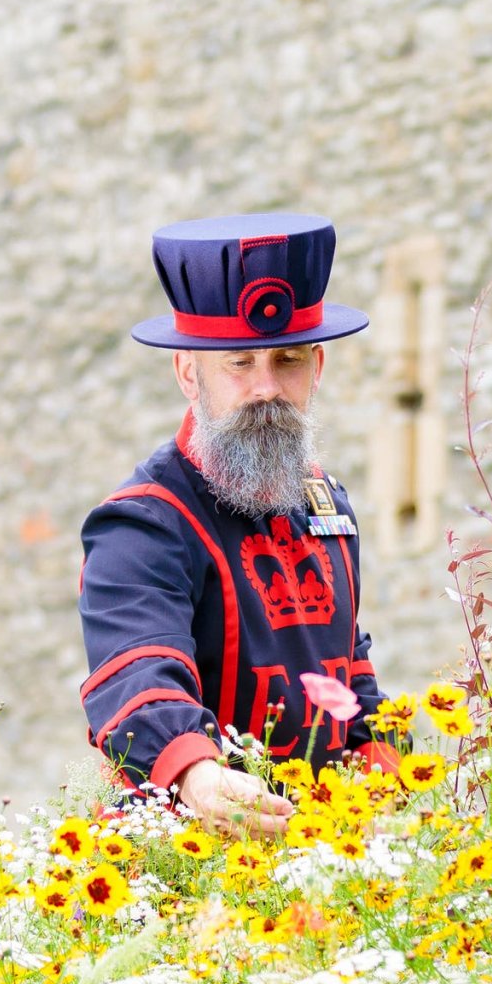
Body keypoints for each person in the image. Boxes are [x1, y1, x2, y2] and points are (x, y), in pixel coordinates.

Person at [77, 212, 393, 835]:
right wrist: (196, 772)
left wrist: (391, 778)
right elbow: (137, 669)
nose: (266, 388)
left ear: (318, 367)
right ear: (188, 373)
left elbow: (348, 670)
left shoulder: (329, 505)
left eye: (288, 359)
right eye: (240, 362)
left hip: (326, 854)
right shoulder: (142, 524)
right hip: (192, 853)